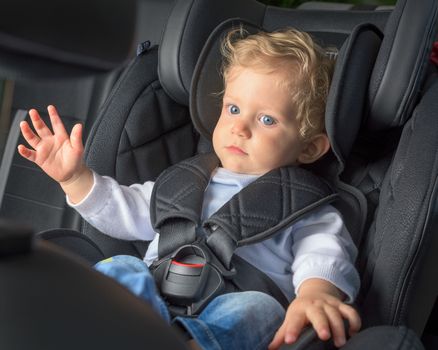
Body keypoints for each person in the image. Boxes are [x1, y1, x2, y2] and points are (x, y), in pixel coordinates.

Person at [18, 27, 361, 350]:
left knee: (262, 310)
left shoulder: (308, 209)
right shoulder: (184, 183)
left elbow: (323, 256)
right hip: (152, 300)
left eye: (267, 119)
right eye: (234, 108)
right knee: (123, 266)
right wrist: (74, 178)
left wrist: (315, 294)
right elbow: (123, 210)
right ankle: (94, 329)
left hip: (229, 304)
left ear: (310, 148)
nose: (239, 128)